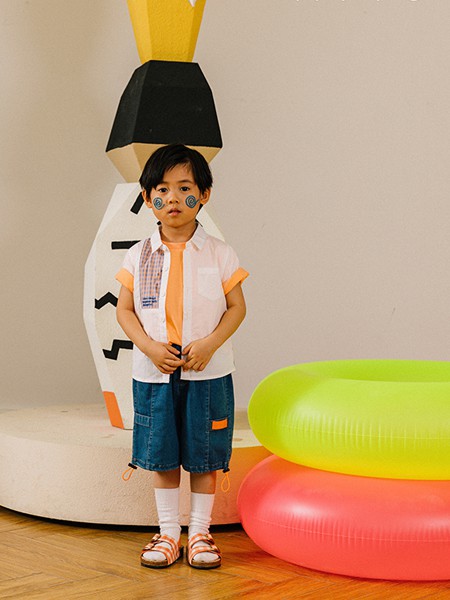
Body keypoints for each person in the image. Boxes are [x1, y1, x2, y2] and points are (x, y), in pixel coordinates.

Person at [116, 144, 248, 569]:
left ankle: (201, 533)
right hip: (154, 372)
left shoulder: (220, 252)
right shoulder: (138, 254)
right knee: (162, 451)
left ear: (204, 194)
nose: (172, 198)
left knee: (204, 453)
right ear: (147, 196)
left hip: (206, 373)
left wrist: (209, 344)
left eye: (185, 188)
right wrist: (150, 348)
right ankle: (169, 532)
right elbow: (124, 310)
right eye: (161, 189)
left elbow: (237, 307)